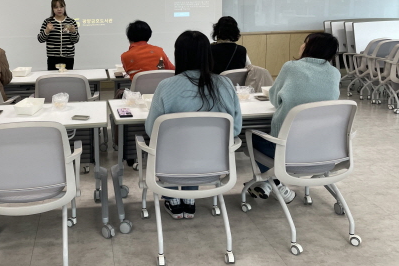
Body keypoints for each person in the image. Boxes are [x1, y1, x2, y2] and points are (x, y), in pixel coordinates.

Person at [145, 30, 242, 220]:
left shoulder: (166, 86)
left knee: (173, 143)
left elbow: (151, 131)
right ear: (208, 54)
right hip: (214, 168)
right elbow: (236, 129)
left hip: (171, 169)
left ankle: (173, 197)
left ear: (178, 55)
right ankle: (190, 197)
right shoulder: (225, 84)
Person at [248, 32, 340, 203]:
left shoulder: (291, 67)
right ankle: (269, 183)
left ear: (310, 47)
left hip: (287, 151)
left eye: (305, 42)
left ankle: (271, 182)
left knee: (252, 137)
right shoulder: (334, 73)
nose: (301, 45)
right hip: (323, 149)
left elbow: (274, 98)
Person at [37, 0, 79, 70]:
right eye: (56, 7)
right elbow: (40, 39)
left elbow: (75, 40)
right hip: (53, 57)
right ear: (52, 8)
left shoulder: (71, 22)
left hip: (68, 57)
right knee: (53, 76)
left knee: (68, 76)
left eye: (61, 7)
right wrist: (47, 31)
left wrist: (73, 32)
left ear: (64, 7)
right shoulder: (48, 22)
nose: (59, 9)